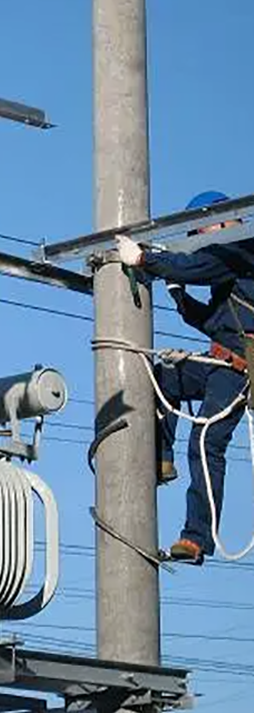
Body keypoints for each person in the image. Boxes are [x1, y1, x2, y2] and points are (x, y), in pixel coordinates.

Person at [116, 190, 254, 564]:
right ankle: (162, 458)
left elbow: (196, 268)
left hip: (239, 370)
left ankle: (197, 538)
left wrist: (147, 258)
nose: (197, 241)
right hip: (221, 362)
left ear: (221, 221)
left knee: (206, 440)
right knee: (161, 379)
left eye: (198, 232)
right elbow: (215, 322)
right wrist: (178, 297)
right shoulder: (228, 264)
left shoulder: (241, 248)